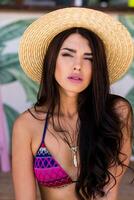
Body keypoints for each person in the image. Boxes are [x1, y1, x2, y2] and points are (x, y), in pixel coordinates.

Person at [12, 7, 134, 200]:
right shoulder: (27, 125)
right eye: (67, 54)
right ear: (52, 60)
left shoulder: (117, 112)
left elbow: (110, 192)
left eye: (89, 58)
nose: (78, 65)